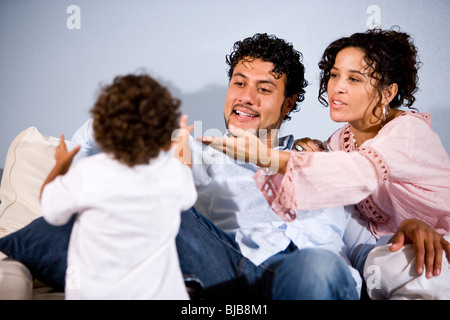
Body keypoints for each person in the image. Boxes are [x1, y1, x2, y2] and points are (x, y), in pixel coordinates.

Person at [70, 33, 379, 300]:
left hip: (313, 275)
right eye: (239, 83)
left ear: (287, 103)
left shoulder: (325, 160)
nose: (246, 97)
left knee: (316, 266)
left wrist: (409, 230)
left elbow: (364, 244)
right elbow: (94, 140)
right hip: (231, 271)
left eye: (264, 88)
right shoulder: (197, 150)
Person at [201, 28, 450, 299]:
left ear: (387, 92)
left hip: (434, 243)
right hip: (246, 268)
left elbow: (356, 173)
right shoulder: (335, 145)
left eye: (354, 79)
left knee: (401, 267)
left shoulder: (407, 133)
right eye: (334, 75)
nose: (337, 87)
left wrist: (264, 156)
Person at [40, 74, 197, 299]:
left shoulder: (87, 173)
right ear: (164, 138)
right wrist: (182, 141)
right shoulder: (171, 174)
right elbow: (185, 174)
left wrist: (61, 166)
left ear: (102, 128)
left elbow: (50, 209)